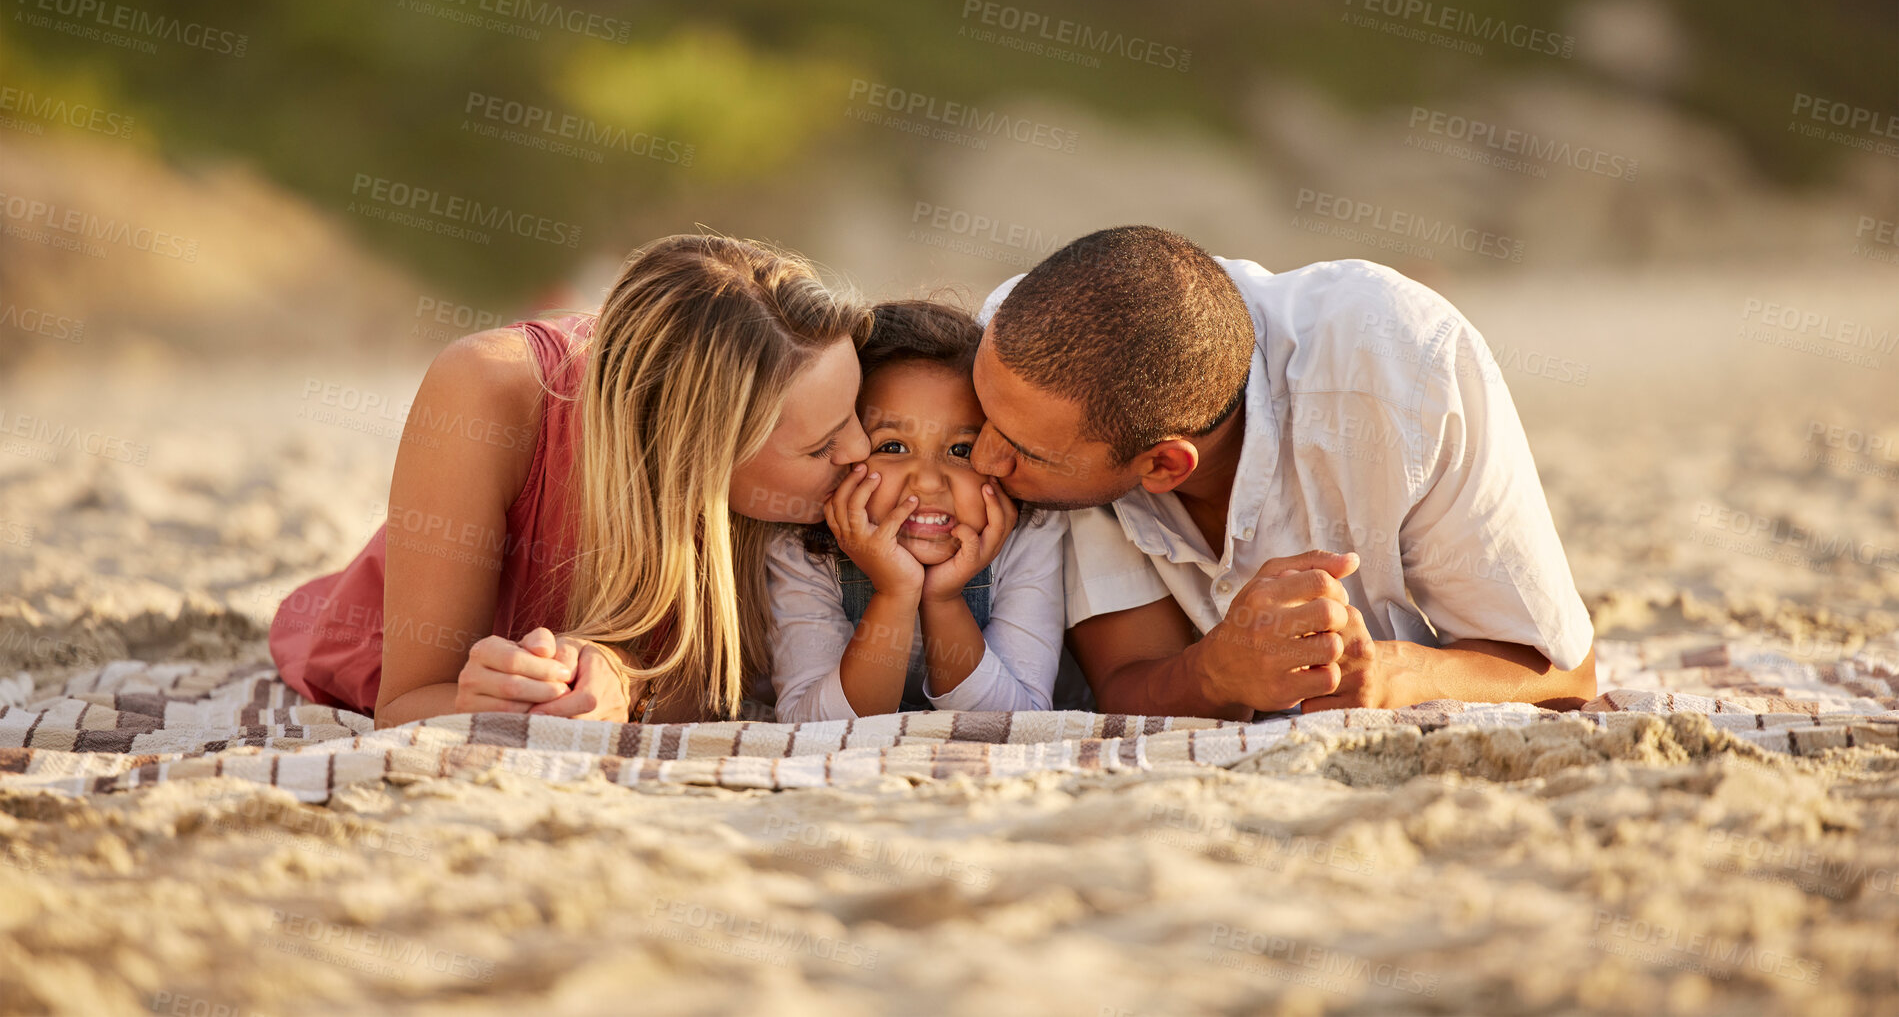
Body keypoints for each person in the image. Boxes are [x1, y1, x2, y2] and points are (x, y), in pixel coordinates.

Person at [967, 225, 1597, 720]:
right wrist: (1213, 674)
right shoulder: (1020, 342)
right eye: (982, 420)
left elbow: (1563, 673)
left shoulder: (1407, 371)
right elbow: (1124, 683)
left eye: (1025, 452)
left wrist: (1392, 675)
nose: (981, 460)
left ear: (1164, 464)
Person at [270, 235, 875, 726]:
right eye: (823, 446)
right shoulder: (485, 390)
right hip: (393, 644)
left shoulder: (792, 473)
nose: (861, 449)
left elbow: (714, 685)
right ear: (700, 452)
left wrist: (624, 686)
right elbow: (405, 705)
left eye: (857, 412)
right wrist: (514, 701)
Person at [767, 301, 1065, 721]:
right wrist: (895, 592)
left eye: (961, 450)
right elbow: (811, 727)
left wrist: (943, 600)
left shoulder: (1029, 536)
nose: (928, 482)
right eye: (892, 447)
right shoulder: (802, 548)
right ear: (847, 450)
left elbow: (1020, 720)